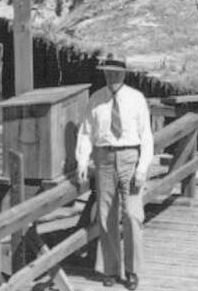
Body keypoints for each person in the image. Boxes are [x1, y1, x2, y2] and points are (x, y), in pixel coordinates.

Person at [75, 54, 154, 290]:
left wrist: (142, 168)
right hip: (104, 158)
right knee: (105, 214)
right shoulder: (96, 100)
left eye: (116, 72)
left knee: (132, 214)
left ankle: (132, 271)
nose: (112, 77)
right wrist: (81, 161)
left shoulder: (136, 98)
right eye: (108, 72)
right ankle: (110, 269)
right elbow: (86, 133)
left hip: (130, 157)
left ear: (124, 74)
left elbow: (147, 137)